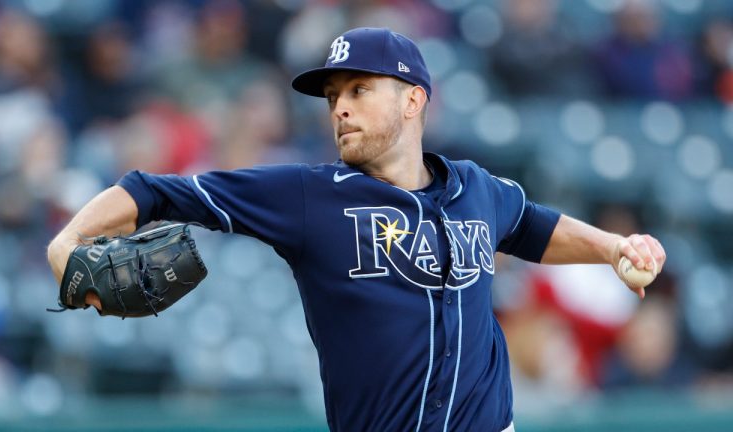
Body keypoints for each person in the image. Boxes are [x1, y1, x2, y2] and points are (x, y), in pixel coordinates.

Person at [47, 27, 666, 432]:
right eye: (333, 94)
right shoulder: (308, 196)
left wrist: (612, 248)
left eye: (360, 89)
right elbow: (153, 190)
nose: (339, 106)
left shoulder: (476, 188)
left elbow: (533, 228)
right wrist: (66, 242)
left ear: (413, 101)